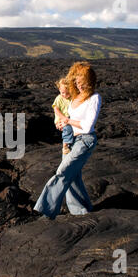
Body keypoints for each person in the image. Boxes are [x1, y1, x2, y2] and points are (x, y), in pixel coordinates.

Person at [34, 61, 102, 219]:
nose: (80, 86)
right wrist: (60, 121)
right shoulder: (74, 97)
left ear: (90, 81)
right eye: (77, 82)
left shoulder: (94, 98)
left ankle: (45, 209)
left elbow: (87, 125)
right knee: (73, 177)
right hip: (71, 140)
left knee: (63, 172)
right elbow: (64, 113)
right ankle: (81, 211)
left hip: (85, 141)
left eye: (83, 83)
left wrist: (66, 120)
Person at [52, 78, 74, 155]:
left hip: (69, 118)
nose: (65, 95)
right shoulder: (59, 98)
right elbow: (56, 110)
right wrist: (63, 119)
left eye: (67, 93)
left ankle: (71, 143)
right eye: (62, 93)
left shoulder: (73, 98)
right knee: (68, 128)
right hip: (60, 119)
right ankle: (65, 145)